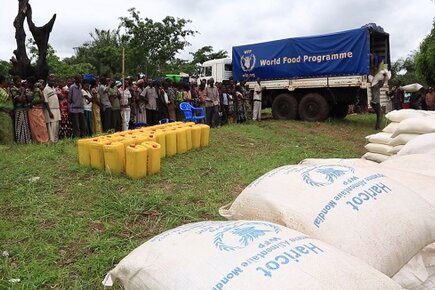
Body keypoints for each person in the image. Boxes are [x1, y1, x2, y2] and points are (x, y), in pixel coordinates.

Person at [27, 77, 49, 144]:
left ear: (31, 83)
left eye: (28, 83)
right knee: (34, 126)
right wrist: (34, 91)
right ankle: (37, 141)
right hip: (32, 111)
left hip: (39, 110)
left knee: (42, 124)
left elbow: (42, 99)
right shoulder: (27, 91)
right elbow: (29, 100)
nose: (27, 84)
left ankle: (45, 140)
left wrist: (34, 102)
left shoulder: (38, 90)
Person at [43, 75, 61, 142]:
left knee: (56, 125)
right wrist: (50, 112)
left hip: (56, 109)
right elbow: (46, 102)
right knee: (51, 126)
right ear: (48, 80)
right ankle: (52, 140)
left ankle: (56, 140)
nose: (53, 81)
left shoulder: (54, 88)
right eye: (51, 80)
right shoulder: (46, 89)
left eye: (54, 80)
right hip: (50, 109)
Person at [0, 75, 14, 144]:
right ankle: (5, 144)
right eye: (5, 81)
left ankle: (9, 143)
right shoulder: (0, 90)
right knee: (4, 128)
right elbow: (7, 98)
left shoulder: (4, 89)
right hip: (3, 111)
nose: (6, 82)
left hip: (7, 111)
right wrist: (8, 90)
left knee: (8, 127)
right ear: (2, 82)